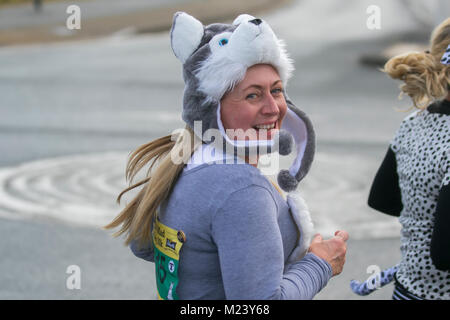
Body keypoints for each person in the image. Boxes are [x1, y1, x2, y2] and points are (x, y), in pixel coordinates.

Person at [105, 12, 348, 300]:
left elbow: (149, 247)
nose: (273, 108)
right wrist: (319, 264)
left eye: (277, 90)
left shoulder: (188, 161)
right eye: (253, 95)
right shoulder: (241, 190)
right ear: (214, 108)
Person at [359, 18, 450, 300]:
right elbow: (444, 254)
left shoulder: (414, 122)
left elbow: (382, 199)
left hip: (408, 289)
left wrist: (428, 219)